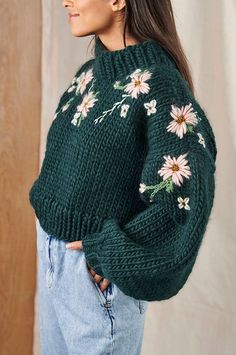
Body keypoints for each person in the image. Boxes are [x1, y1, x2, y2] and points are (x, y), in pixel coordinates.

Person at [29, 0, 217, 354]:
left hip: (92, 283)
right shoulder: (87, 76)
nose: (65, 1)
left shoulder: (160, 86)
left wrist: (114, 252)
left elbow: (185, 194)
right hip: (53, 264)